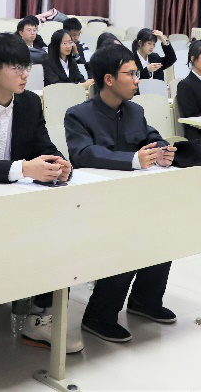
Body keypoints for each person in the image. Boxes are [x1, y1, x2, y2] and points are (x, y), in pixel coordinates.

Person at [0, 33, 81, 372]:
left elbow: (43, 144)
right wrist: (23, 168)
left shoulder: (30, 103)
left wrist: (58, 162)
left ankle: (41, 316)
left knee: (61, 230)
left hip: (19, 202)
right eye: (17, 68)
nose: (25, 75)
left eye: (27, 67)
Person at [65, 44, 176, 343]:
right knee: (128, 235)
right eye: (131, 74)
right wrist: (132, 160)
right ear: (109, 79)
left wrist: (163, 150)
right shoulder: (78, 115)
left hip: (134, 196)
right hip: (95, 200)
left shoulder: (134, 110)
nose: (137, 80)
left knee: (165, 228)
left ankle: (144, 301)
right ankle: (99, 316)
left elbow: (152, 137)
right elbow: (83, 153)